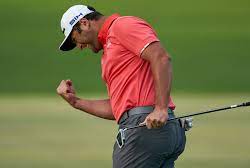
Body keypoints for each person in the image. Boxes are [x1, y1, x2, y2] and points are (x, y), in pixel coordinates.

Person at [56, 4, 186, 168]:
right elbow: (119, 109)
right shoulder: (110, 50)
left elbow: (161, 57)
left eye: (75, 39)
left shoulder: (121, 26)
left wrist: (160, 108)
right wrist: (75, 102)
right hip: (156, 129)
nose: (80, 47)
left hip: (145, 129)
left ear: (84, 23)